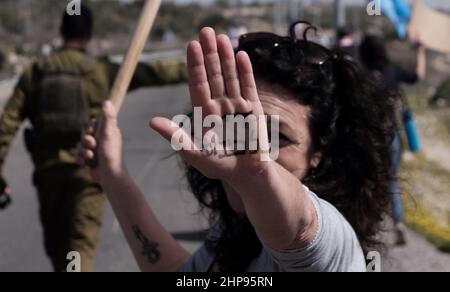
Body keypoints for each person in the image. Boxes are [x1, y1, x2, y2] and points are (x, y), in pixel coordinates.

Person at [79, 23, 395, 272]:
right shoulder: (235, 234)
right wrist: (113, 175)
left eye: (277, 136)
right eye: (239, 126)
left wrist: (256, 175)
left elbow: (299, 226)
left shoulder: (329, 244)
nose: (248, 144)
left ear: (318, 153)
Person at [0, 4, 187, 272]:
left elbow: (7, 125)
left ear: (61, 31)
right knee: (80, 248)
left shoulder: (36, 73)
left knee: (59, 249)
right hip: (87, 173)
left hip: (49, 175)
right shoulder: (102, 71)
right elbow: (159, 72)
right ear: (89, 34)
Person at [359, 34, 426, 246]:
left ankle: (371, 225)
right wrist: (421, 51)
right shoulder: (393, 71)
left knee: (369, 179)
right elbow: (418, 76)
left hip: (371, 136)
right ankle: (398, 223)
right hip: (393, 135)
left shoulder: (362, 77)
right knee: (393, 179)